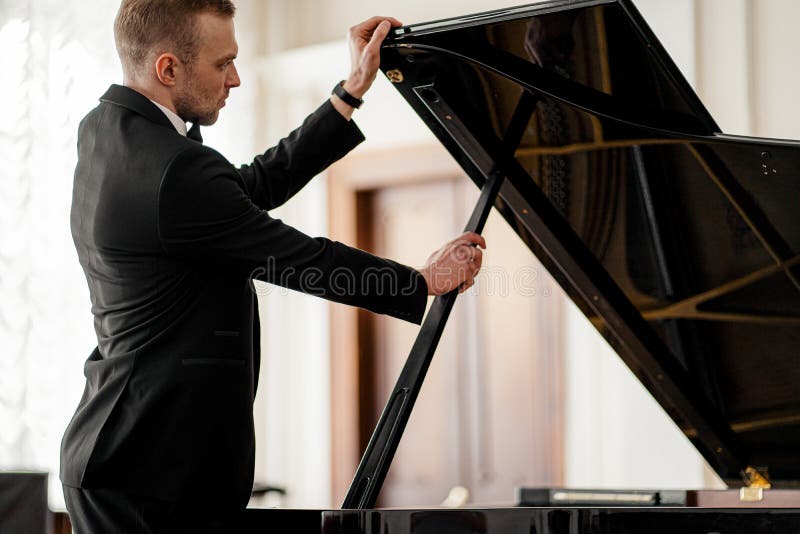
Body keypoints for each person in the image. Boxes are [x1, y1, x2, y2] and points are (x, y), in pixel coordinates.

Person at [60, 0, 485, 532]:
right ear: (167, 68)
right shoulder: (174, 171)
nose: (235, 79)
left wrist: (349, 93)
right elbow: (297, 258)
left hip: (124, 453)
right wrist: (419, 283)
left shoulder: (108, 130)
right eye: (223, 64)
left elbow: (247, 190)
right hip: (153, 473)